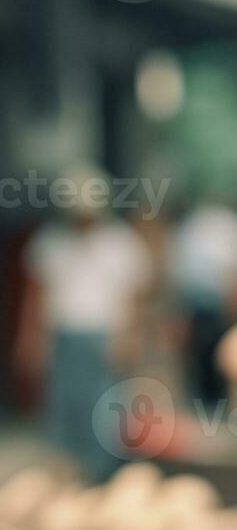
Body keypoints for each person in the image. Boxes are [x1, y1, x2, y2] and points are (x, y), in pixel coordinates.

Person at [16, 165, 152, 478]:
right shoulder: (51, 242)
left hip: (104, 337)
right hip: (63, 336)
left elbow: (134, 296)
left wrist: (130, 336)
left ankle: (103, 475)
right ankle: (67, 472)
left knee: (104, 409)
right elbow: (36, 294)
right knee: (65, 405)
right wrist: (31, 338)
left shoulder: (120, 243)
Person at [170, 196, 237, 409]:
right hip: (199, 306)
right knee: (202, 361)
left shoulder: (224, 226)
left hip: (217, 307)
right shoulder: (194, 229)